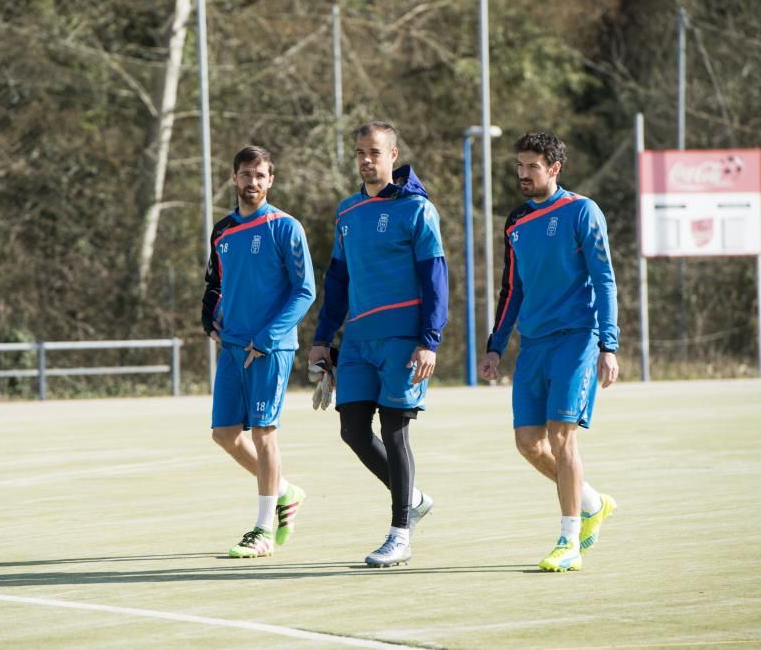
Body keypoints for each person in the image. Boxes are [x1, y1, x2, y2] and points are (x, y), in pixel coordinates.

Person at [310, 121, 448, 568]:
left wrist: (429, 340)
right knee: (352, 430)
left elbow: (435, 280)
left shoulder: (417, 209)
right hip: (358, 340)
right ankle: (415, 498)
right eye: (360, 153)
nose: (366, 160)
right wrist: (321, 340)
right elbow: (337, 280)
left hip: (404, 340)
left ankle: (400, 534)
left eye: (374, 152)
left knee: (394, 430)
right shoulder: (347, 211)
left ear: (393, 155)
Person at [479, 131, 619, 572]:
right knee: (527, 443)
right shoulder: (516, 221)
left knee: (561, 436)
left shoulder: (582, 211)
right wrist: (495, 347)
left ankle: (569, 539)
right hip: (533, 344)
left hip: (577, 338)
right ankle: (594, 502)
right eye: (518, 166)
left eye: (532, 167)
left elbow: (605, 279)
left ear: (554, 169)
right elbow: (512, 290)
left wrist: (608, 344)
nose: (523, 174)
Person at [201, 146, 316, 558]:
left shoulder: (285, 227)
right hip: (232, 347)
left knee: (265, 434)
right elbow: (215, 284)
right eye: (246, 175)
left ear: (271, 180)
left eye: (261, 176)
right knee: (224, 434)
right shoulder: (222, 231)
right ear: (234, 178)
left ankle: (262, 530)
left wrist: (267, 337)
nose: (253, 182)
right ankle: (286, 491)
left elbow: (305, 291)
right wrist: (209, 319)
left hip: (270, 348)